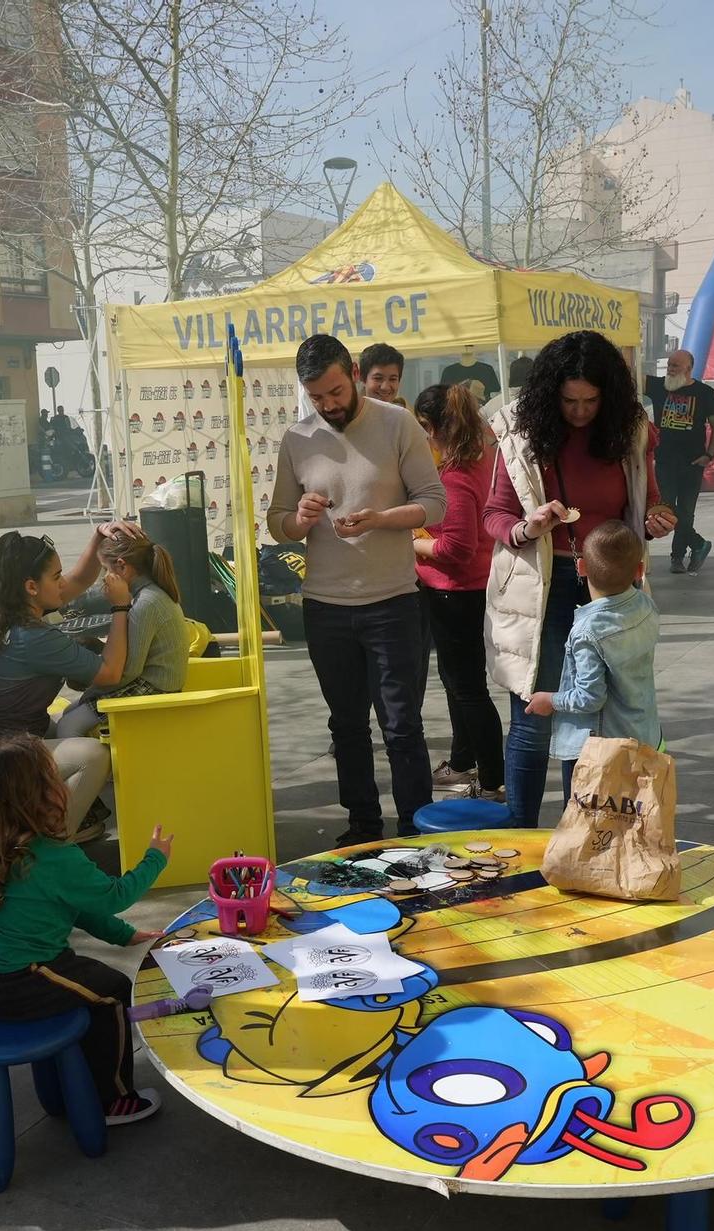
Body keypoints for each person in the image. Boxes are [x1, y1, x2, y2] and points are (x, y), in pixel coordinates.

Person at [483, 329, 675, 827]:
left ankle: (579, 835)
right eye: (570, 400)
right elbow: (495, 515)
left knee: (588, 722)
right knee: (534, 712)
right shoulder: (519, 432)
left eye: (592, 400)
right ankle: (522, 833)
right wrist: (529, 527)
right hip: (542, 588)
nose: (581, 411)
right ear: (551, 394)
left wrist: (655, 516)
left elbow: (648, 499)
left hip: (608, 589)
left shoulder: (630, 431)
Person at [268, 333, 446, 845]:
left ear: (352, 372)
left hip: (393, 601)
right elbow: (278, 521)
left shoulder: (396, 423)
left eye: (335, 392)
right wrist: (297, 520)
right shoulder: (296, 439)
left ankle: (416, 826)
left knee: (401, 725)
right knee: (346, 726)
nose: (328, 405)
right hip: (325, 606)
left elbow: (436, 503)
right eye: (316, 397)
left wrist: (384, 518)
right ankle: (363, 826)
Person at [0, 735, 170, 1125]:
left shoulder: (1, 845)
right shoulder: (55, 857)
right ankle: (113, 1099)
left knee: (89, 981)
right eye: (54, 777)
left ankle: (77, 1073)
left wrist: (122, 934)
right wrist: (155, 859)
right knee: (113, 994)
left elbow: (70, 907)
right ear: (40, 797)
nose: (62, 783)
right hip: (21, 978)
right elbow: (114, 896)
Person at [0, 526, 131, 843]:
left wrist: (97, 538)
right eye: (56, 576)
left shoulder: (12, 615)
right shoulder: (34, 637)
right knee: (93, 755)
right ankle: (53, 842)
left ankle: (50, 821)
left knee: (58, 727)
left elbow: (77, 581)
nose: (64, 582)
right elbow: (110, 673)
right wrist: (121, 607)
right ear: (31, 587)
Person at [413, 382, 503, 800]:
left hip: (457, 592)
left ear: (431, 426)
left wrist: (411, 543)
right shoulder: (482, 457)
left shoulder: (455, 477)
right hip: (470, 588)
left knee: (468, 689)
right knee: (457, 683)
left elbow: (456, 548)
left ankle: (491, 781)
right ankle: (465, 762)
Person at [524, 520, 661, 794]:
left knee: (587, 821)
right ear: (640, 569)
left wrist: (550, 700)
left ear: (581, 567)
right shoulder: (646, 605)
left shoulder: (586, 631)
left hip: (600, 748)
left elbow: (590, 697)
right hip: (643, 735)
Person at [53, 524, 188, 739]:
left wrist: (93, 690)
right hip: (148, 685)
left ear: (122, 567)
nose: (103, 578)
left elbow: (128, 672)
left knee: (69, 726)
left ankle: (106, 771)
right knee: (70, 712)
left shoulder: (146, 604)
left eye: (106, 569)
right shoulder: (148, 594)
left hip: (154, 690)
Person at [652, 348, 714, 576]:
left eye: (676, 366)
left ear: (689, 369)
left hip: (693, 462)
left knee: (685, 510)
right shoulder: (658, 386)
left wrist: (709, 455)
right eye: (669, 365)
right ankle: (699, 543)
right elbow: (630, 374)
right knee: (666, 509)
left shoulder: (705, 393)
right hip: (664, 460)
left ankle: (677, 558)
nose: (671, 370)